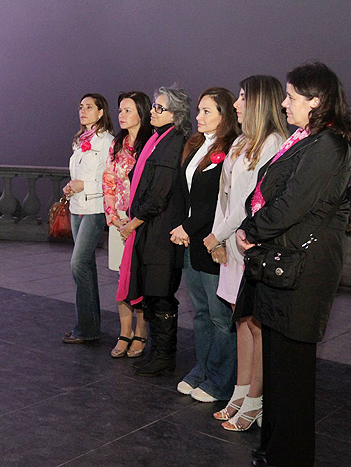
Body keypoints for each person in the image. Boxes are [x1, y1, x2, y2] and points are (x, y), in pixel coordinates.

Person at [235, 62, 351, 467]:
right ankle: (273, 447)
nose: (284, 104)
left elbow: (293, 203)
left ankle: (290, 455)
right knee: (279, 364)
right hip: (284, 263)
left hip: (303, 270)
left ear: (316, 102)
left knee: (293, 372)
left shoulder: (329, 146)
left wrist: (250, 229)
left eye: (291, 97)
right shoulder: (308, 139)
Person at [204, 76, 288, 430]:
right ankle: (240, 392)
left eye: (241, 98)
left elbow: (248, 200)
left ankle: (256, 400)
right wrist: (220, 238)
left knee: (255, 324)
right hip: (232, 244)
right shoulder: (241, 142)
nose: (236, 105)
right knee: (241, 321)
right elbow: (224, 196)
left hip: (251, 244)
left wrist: (216, 236)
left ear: (259, 103)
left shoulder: (273, 143)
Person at [170, 88, 239, 402]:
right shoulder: (196, 144)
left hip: (215, 242)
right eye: (198, 110)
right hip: (191, 241)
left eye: (206, 111)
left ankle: (222, 380)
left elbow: (217, 202)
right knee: (200, 312)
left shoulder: (231, 149)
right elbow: (186, 195)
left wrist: (186, 227)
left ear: (224, 116)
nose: (198, 117)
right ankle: (203, 369)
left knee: (219, 317)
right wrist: (184, 229)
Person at [116, 86, 190, 376]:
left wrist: (133, 222)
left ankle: (164, 356)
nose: (152, 112)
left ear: (176, 114)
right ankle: (156, 352)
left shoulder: (174, 142)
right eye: (154, 107)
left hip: (161, 231)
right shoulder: (158, 140)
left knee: (161, 295)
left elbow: (159, 193)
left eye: (159, 108)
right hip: (150, 229)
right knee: (151, 294)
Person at [103, 92, 154, 357]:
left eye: (127, 111)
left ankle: (141, 333)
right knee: (121, 279)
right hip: (118, 219)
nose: (121, 115)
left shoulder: (151, 144)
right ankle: (125, 331)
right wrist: (113, 216)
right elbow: (108, 179)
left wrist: (133, 221)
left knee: (140, 279)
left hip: (140, 220)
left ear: (141, 114)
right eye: (120, 110)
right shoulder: (117, 144)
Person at [62, 93, 115, 344]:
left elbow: (110, 180)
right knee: (87, 266)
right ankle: (89, 326)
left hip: (95, 209)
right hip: (77, 208)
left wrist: (85, 185)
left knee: (78, 263)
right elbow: (78, 174)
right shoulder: (79, 141)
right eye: (81, 106)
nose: (83, 111)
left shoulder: (108, 142)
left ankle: (85, 327)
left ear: (101, 112)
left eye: (89, 107)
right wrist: (72, 187)